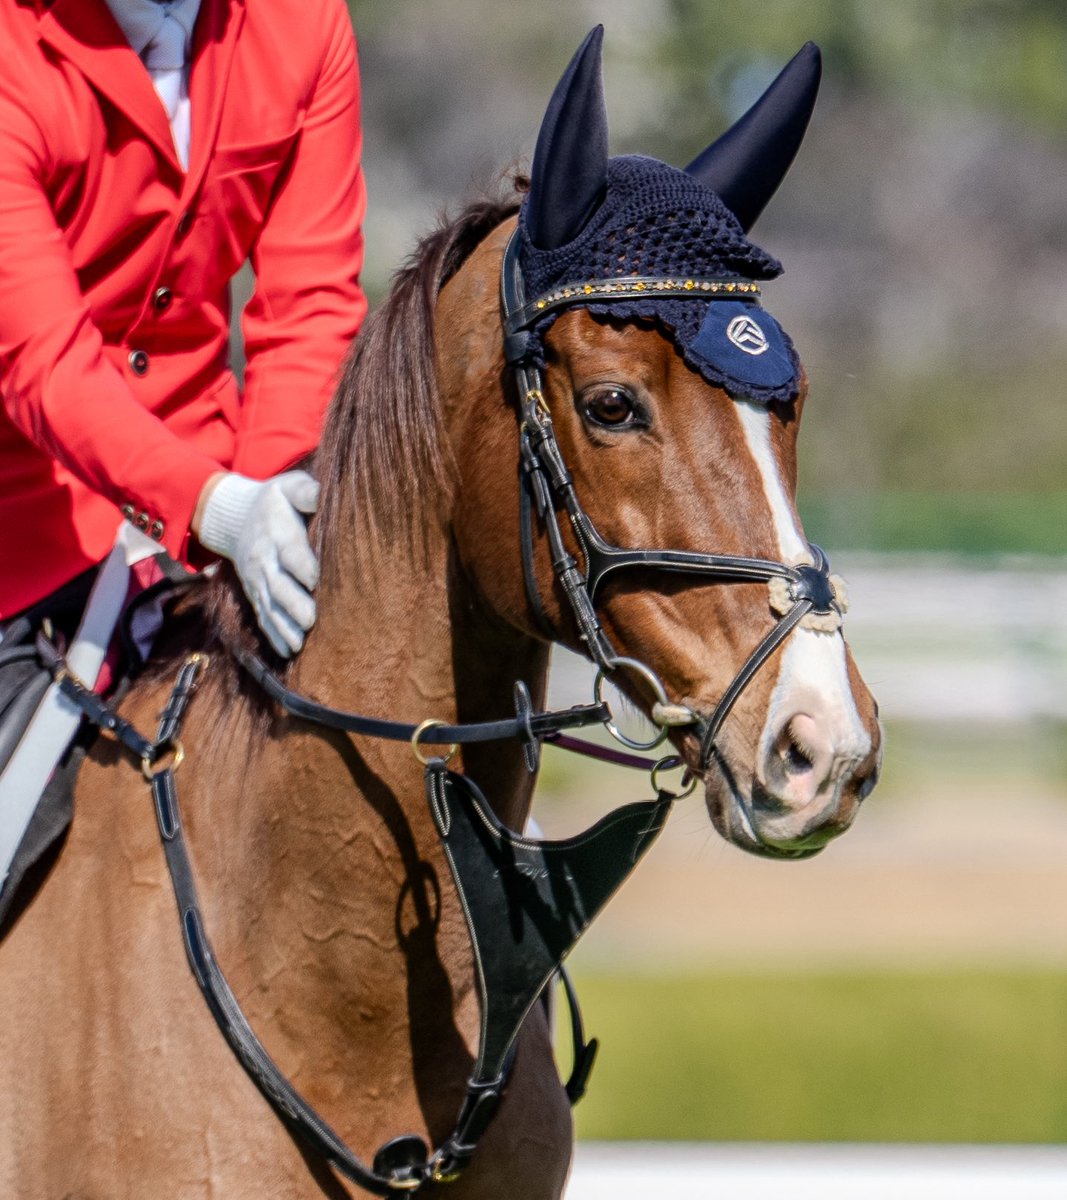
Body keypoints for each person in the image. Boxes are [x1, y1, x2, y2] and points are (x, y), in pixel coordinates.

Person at [0, 0, 368, 659]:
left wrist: (279, 500)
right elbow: (41, 362)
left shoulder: (302, 21)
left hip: (220, 490)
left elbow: (309, 308)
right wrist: (216, 509)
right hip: (24, 533)